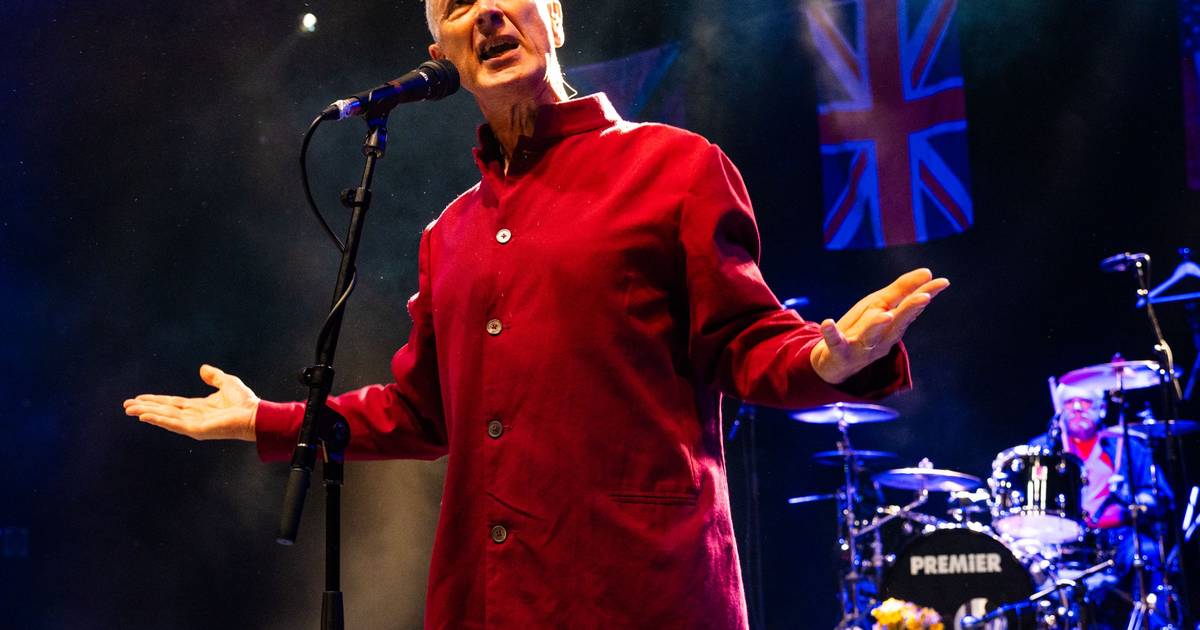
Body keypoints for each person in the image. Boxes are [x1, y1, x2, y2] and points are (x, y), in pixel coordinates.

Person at [123, 0, 949, 627]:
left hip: (644, 593)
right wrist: (262, 420)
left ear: (553, 18)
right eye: (455, 6)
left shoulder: (675, 167)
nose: (484, 12)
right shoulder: (448, 234)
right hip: (486, 601)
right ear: (440, 55)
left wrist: (830, 359)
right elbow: (420, 413)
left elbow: (745, 340)